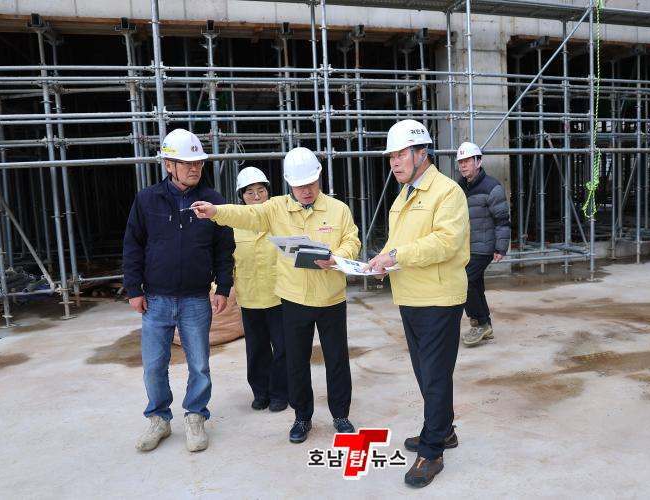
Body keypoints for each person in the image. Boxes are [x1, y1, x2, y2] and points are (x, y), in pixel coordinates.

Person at [191, 147, 361, 444]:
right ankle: (302, 417)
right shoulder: (275, 209)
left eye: (311, 183)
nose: (306, 191)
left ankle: (341, 414)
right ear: (288, 183)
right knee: (296, 361)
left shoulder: (338, 209)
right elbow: (247, 214)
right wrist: (216, 211)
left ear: (319, 178)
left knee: (337, 360)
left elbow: (352, 239)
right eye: (299, 185)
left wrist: (337, 256)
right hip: (294, 299)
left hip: (331, 299)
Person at [365, 119, 470, 488]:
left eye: (401, 154)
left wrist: (395, 255)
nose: (394, 162)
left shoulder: (446, 192)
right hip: (410, 296)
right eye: (391, 156)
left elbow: (445, 242)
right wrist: (382, 262)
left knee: (435, 376)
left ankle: (432, 451)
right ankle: (444, 430)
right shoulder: (404, 195)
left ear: (422, 153)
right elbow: (399, 243)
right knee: (426, 373)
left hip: (438, 298)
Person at [122, 128, 234, 453]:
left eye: (197, 162)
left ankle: (196, 416)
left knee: (199, 364)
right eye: (187, 163)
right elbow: (133, 245)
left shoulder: (212, 201)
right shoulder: (147, 200)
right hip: (155, 298)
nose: (194, 168)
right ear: (169, 165)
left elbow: (224, 248)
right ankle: (159, 418)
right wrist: (134, 289)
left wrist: (223, 286)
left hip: (196, 298)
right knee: (154, 366)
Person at [233, 166, 288, 412]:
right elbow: (225, 259)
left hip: (279, 295)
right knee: (256, 348)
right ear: (241, 196)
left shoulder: (280, 220)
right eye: (250, 192)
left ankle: (280, 393)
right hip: (250, 296)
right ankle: (261, 392)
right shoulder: (234, 224)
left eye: (261, 190)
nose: (256, 197)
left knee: (283, 347)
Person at [456, 142, 510, 346]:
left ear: (478, 161)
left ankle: (479, 323)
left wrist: (501, 247)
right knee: (476, 285)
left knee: (464, 281)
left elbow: (502, 220)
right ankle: (485, 324)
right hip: (466, 246)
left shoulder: (492, 187)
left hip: (484, 246)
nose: (463, 165)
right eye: (460, 162)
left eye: (467, 161)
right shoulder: (460, 186)